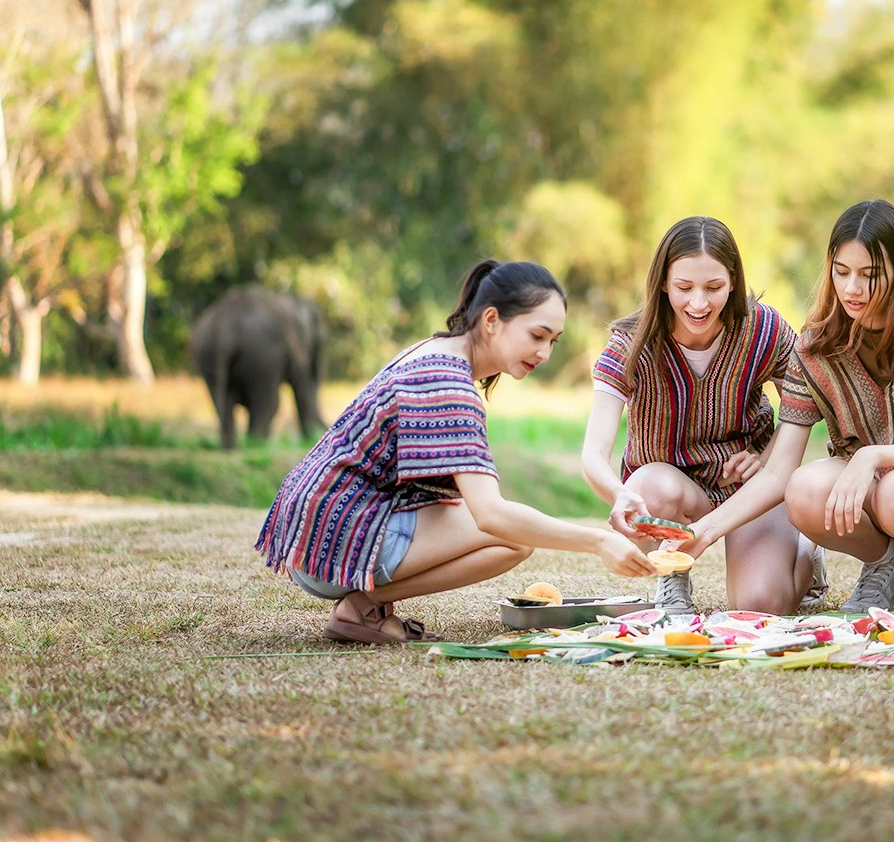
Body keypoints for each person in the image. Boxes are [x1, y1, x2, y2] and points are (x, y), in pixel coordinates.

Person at [256, 260, 656, 644]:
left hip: (316, 527)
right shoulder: (448, 385)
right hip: (336, 539)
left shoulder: (435, 351)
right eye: (537, 336)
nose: (545, 354)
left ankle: (366, 605)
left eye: (553, 340)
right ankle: (363, 606)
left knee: (496, 523)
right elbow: (491, 514)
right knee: (513, 539)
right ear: (492, 320)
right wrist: (598, 542)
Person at [676, 199, 894, 615]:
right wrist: (705, 530)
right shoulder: (817, 347)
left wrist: (873, 455)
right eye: (842, 271)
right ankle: (885, 564)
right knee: (802, 489)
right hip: (872, 483)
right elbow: (779, 471)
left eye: (871, 275)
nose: (852, 289)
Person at [580, 216, 826, 615]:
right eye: (684, 288)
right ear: (663, 283)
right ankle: (671, 577)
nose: (698, 303)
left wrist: (763, 460)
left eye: (713, 288)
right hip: (672, 489)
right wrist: (619, 494)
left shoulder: (764, 330)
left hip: (749, 489)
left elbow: (799, 417)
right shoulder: (630, 344)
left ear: (733, 280)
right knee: (651, 490)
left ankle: (805, 550)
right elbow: (593, 453)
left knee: (761, 605)